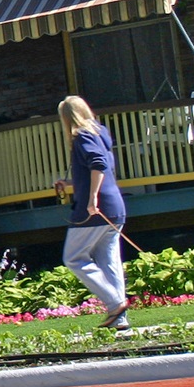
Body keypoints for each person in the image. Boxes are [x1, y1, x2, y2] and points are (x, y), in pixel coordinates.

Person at [58, 95, 131, 330]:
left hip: (95, 209)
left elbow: (98, 164)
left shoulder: (82, 136)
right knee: (109, 261)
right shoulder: (100, 133)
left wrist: (91, 199)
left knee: (74, 258)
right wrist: (70, 183)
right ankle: (120, 320)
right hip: (115, 206)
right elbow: (100, 168)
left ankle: (115, 302)